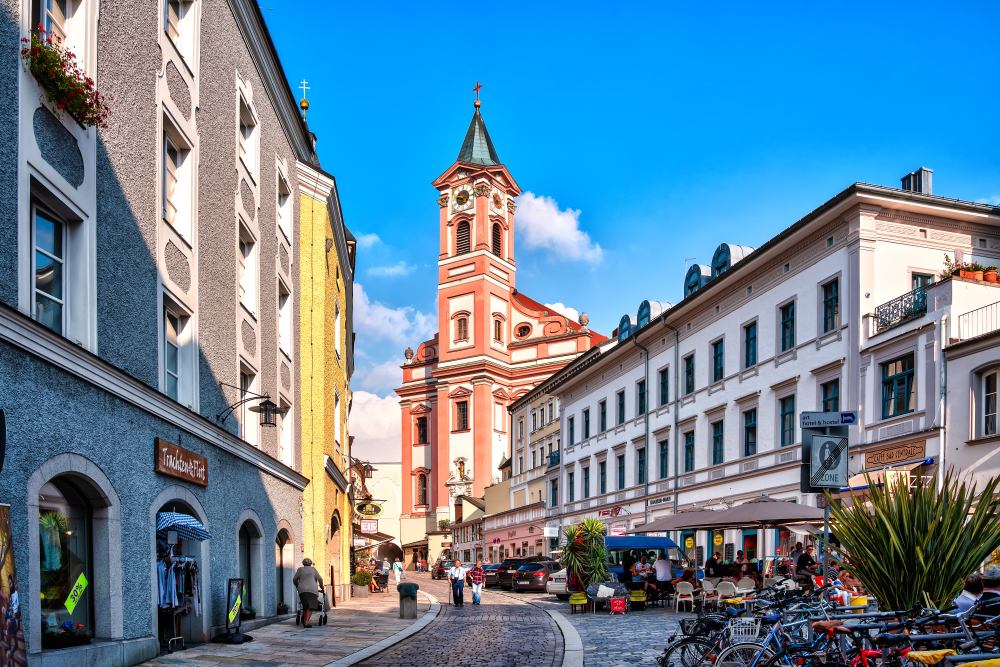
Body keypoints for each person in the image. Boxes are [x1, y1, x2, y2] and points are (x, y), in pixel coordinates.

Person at [293, 558, 324, 628]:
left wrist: (297, 585)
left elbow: (294, 579)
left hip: (302, 590)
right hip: (312, 590)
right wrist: (322, 586)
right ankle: (306, 623)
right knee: (310, 606)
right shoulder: (313, 570)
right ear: (310, 564)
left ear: (303, 563)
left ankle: (304, 620)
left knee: (305, 605)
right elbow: (320, 579)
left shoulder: (300, 570)